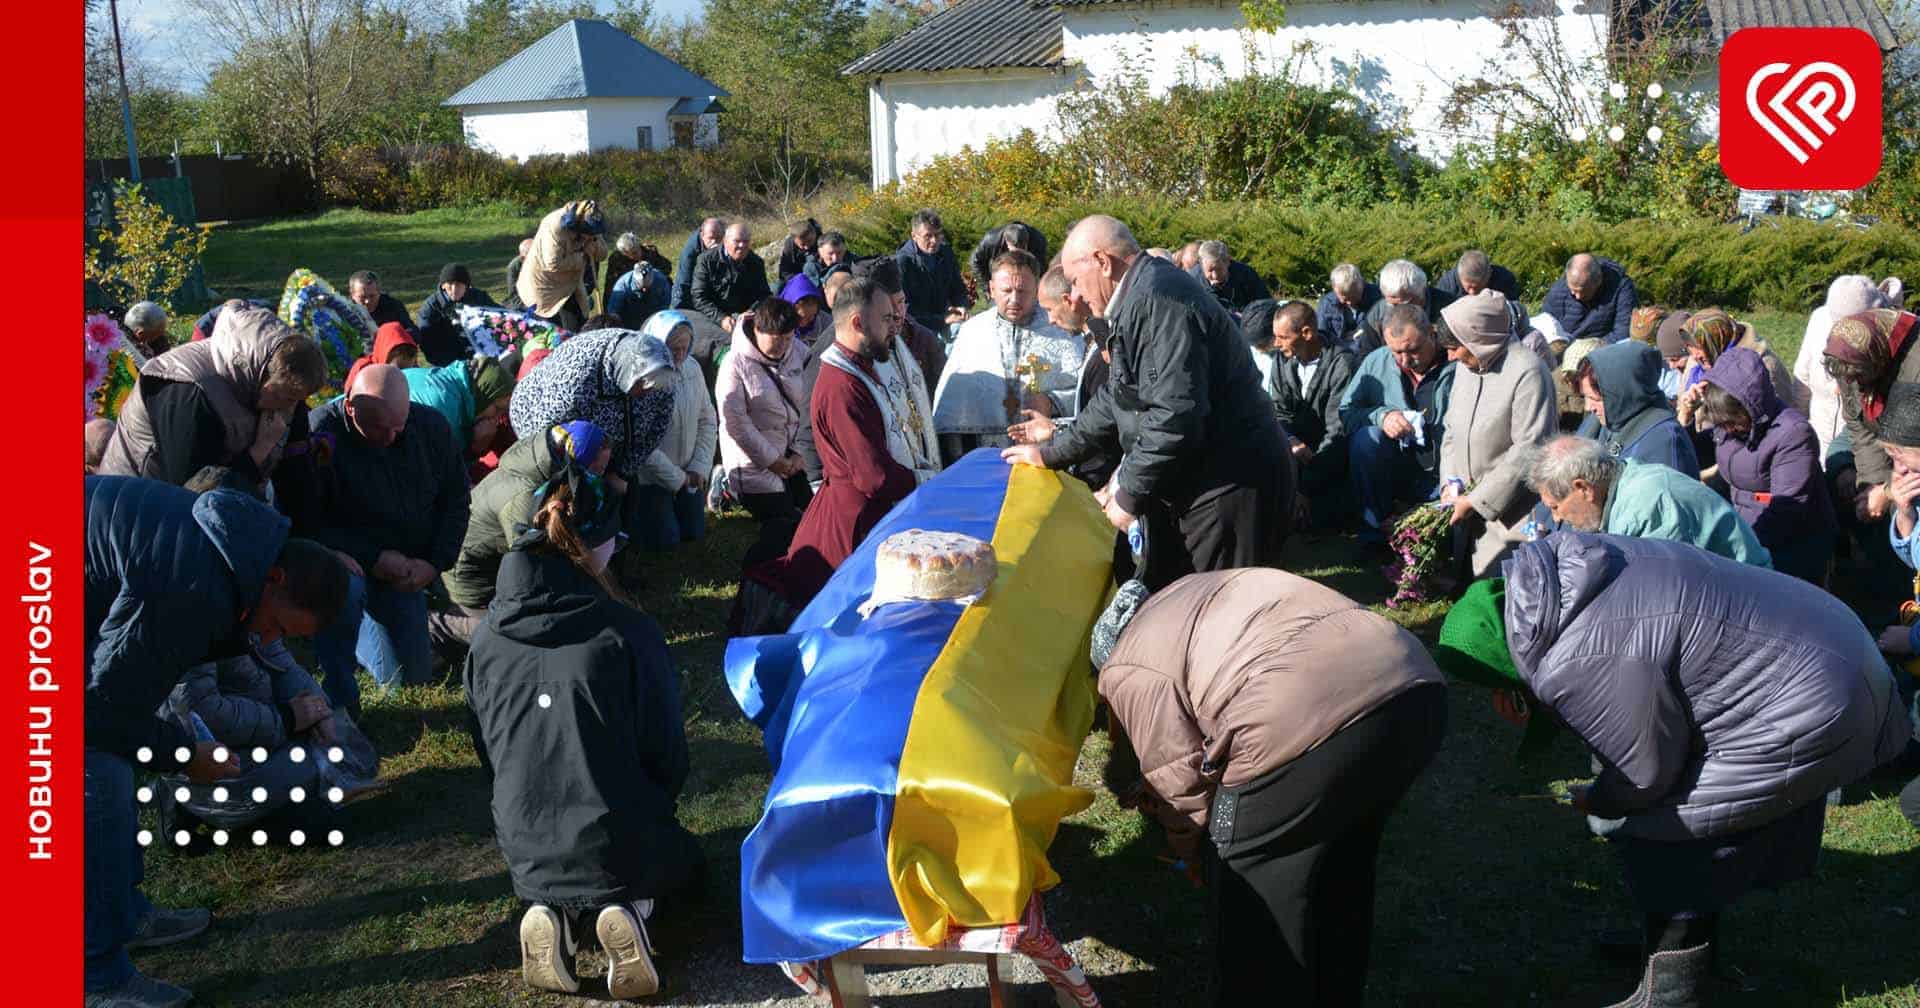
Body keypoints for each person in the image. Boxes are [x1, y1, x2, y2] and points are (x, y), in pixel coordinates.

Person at [1435, 538, 1909, 1008]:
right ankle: (1666, 945)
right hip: (1828, 640)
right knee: (1682, 809)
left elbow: (1645, 774)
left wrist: (1597, 799)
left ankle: (1672, 991)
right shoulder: (1568, 578)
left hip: (1814, 696)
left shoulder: (1573, 659)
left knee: (1668, 824)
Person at [1092, 569, 1445, 1007]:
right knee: (1341, 867)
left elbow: (1177, 782)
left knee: (1250, 900)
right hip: (1413, 685)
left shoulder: (1127, 664)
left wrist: (1201, 855)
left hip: (1305, 718)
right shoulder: (1189, 590)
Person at [84, 475, 348, 1008]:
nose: (269, 641)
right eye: (275, 628)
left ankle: (127, 914)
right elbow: (102, 713)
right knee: (98, 776)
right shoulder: (191, 585)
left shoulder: (238, 553)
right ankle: (97, 975)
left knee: (112, 760)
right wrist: (182, 755)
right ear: (274, 579)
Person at [466, 470, 704, 1000]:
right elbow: (667, 753)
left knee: (576, 859)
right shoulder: (626, 633)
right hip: (615, 829)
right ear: (592, 544)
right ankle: (631, 911)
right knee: (683, 864)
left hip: (523, 836)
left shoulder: (484, 642)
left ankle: (550, 914)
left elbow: (488, 752)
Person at [1002, 215, 1293, 589]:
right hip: (1203, 482)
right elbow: (1118, 397)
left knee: (1218, 619)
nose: (1076, 294)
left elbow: (1175, 415)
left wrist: (1128, 494)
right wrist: (1052, 453)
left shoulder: (1158, 300)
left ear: (1103, 262)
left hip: (1228, 487)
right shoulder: (1140, 297)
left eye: (1076, 280)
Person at [305, 365, 471, 714]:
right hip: (348, 564)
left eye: (400, 424)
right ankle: (339, 683)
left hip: (406, 570)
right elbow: (306, 519)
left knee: (411, 676)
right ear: (351, 409)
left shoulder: (430, 428)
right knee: (347, 593)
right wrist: (371, 557)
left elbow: (456, 499)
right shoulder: (320, 437)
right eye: (381, 428)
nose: (394, 436)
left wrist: (435, 562)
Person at [99, 301, 328, 487]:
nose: (291, 407)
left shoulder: (279, 389)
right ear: (260, 377)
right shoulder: (189, 391)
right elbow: (194, 496)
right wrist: (260, 450)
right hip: (136, 513)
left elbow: (297, 477)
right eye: (287, 398)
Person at [436, 421, 614, 652]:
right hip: (475, 585)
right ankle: (442, 623)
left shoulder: (540, 459)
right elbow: (528, 569)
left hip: (495, 562)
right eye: (596, 470)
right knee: (521, 641)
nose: (598, 477)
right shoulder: (521, 500)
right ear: (575, 463)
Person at [1683, 346, 1835, 584]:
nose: (1727, 429)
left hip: (1790, 548)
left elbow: (1787, 511)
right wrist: (1687, 420)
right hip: (1748, 532)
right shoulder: (1732, 426)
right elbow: (1695, 457)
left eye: (1732, 422)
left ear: (1750, 406)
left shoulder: (1792, 434)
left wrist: (1737, 547)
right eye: (1722, 422)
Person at [1436, 291, 1556, 576]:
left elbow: (1529, 447)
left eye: (1455, 346)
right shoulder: (1468, 366)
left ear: (1478, 338)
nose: (1450, 356)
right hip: (1465, 503)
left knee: (1503, 590)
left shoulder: (1528, 371)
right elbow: (1451, 431)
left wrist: (1478, 501)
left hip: (1512, 513)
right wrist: (1448, 483)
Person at [933, 248, 1084, 461]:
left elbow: (1087, 390)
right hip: (985, 456)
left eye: (1022, 291)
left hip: (1049, 453)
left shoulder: (1060, 326)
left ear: (1037, 288)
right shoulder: (973, 331)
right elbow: (951, 408)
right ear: (992, 289)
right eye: (1006, 291)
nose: (1014, 299)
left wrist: (1051, 402)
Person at [1524, 435, 1771, 565]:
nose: (1556, 518)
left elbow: (1662, 595)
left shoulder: (1644, 509)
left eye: (1555, 507)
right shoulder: (1623, 480)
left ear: (1583, 489)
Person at [1340, 304, 1455, 547]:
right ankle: (1375, 532)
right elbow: (1347, 413)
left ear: (1432, 334)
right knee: (1366, 440)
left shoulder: (1456, 363)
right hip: (1399, 466)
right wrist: (1383, 416)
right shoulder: (1377, 361)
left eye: (1413, 350)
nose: (1405, 360)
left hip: (1445, 469)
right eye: (1396, 352)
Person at [719, 297, 815, 563]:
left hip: (792, 455)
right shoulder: (734, 365)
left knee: (814, 514)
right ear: (758, 330)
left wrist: (798, 452)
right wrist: (772, 461)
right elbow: (736, 422)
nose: (783, 345)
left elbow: (810, 404)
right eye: (776, 338)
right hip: (753, 462)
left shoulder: (800, 352)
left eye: (788, 337)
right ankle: (757, 571)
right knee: (786, 524)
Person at [1249, 299, 1358, 529]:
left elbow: (1336, 431)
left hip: (1331, 457)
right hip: (1296, 451)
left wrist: (1305, 489)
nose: (1276, 344)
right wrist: (1290, 440)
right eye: (1275, 336)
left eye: (1283, 337)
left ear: (1307, 333)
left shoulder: (1342, 364)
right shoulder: (1283, 360)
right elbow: (1279, 411)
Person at [1008, 265, 1114, 490]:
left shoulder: (1105, 356)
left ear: (1068, 300)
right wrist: (1054, 428)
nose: (1050, 320)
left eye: (1049, 309)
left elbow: (1108, 427)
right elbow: (1093, 416)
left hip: (1104, 479)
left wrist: (1049, 452)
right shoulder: (1093, 343)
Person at [632, 311, 718, 551]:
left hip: (688, 469)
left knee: (694, 534)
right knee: (665, 541)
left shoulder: (692, 368)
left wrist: (698, 467)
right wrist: (677, 478)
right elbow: (642, 443)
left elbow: (707, 419)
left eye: (684, 347)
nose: (680, 354)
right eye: (672, 348)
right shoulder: (644, 377)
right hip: (653, 477)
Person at [1796, 275, 1905, 460]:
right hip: (1821, 437)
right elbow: (1802, 378)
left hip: (1867, 447)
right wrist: (1798, 429)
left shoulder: (1894, 338)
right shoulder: (1819, 320)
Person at [1572, 339, 1699, 475]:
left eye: (1594, 399)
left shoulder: (1664, 442)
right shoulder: (1604, 421)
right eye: (1586, 397)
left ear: (1621, 393)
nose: (1589, 407)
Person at [1678, 307, 1805, 412]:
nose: (1695, 355)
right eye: (1689, 347)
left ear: (1718, 339)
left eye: (1699, 347)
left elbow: (1778, 415)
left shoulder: (1763, 366)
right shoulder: (1698, 362)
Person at [402, 353, 516, 463]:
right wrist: (477, 447)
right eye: (497, 409)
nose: (496, 418)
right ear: (484, 394)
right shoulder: (447, 408)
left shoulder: (449, 380)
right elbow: (445, 470)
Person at [518, 200, 608, 332]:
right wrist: (582, 255)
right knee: (552, 332)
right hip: (546, 288)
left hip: (572, 285)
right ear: (580, 223)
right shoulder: (554, 226)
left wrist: (593, 247)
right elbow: (553, 263)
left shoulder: (592, 221)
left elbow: (603, 254)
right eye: (588, 232)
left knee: (579, 328)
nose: (591, 236)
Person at [895, 208, 970, 340]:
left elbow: (958, 288)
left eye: (938, 235)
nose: (934, 241)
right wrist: (942, 320)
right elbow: (905, 311)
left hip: (944, 318)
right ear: (914, 236)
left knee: (966, 331)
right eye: (928, 236)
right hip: (916, 329)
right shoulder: (902, 263)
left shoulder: (945, 252)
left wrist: (961, 306)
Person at [1353, 259, 1454, 357]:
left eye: (1405, 304)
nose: (1398, 310)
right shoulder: (1377, 315)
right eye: (1392, 305)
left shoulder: (1449, 308)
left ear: (1421, 291)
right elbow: (1366, 356)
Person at [690, 222, 773, 331]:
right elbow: (699, 297)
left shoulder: (756, 262)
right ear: (725, 241)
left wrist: (751, 312)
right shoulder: (706, 261)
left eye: (746, 241)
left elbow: (764, 295)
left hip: (746, 317)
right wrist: (721, 319)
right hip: (714, 317)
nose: (742, 245)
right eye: (737, 241)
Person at [414, 263, 502, 366]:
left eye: (459, 285)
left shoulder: (479, 297)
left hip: (484, 355)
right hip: (450, 365)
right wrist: (458, 366)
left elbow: (499, 314)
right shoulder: (430, 309)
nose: (455, 289)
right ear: (443, 285)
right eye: (450, 284)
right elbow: (429, 346)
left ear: (467, 286)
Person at [1543, 253, 1638, 344]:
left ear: (1598, 281)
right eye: (1573, 290)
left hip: (1602, 351)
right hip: (1565, 348)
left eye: (1583, 291)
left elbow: (1623, 333)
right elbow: (1547, 327)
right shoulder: (1559, 289)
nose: (1578, 296)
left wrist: (1589, 349)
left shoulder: (1620, 287)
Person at [969, 220, 1049, 296]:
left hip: (1027, 279)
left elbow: (1042, 269)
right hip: (999, 277)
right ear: (1007, 243)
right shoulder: (991, 240)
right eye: (1015, 251)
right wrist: (986, 287)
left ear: (1027, 242)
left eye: (1022, 250)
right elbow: (975, 261)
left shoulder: (1038, 241)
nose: (1018, 256)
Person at [344, 321, 422, 398]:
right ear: (386, 354)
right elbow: (353, 403)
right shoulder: (363, 371)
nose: (401, 375)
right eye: (399, 369)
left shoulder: (410, 365)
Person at [1315, 263, 1382, 352]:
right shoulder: (1327, 303)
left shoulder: (1378, 299)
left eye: (1354, 296)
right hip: (1336, 355)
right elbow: (1321, 335)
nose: (1350, 302)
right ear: (1334, 289)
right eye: (1345, 299)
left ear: (1362, 284)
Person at [1190, 239, 1271, 311]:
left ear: (1228, 261)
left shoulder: (1246, 274)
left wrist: (1246, 316)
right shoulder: (1192, 280)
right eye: (1210, 271)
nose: (1215, 276)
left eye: (1219, 269)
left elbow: (1265, 305)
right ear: (1201, 264)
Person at [672, 217, 725, 309]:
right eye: (711, 238)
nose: (715, 242)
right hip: (688, 290)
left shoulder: (729, 243)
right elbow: (684, 282)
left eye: (718, 238)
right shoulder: (690, 252)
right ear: (702, 235)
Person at [346, 270, 417, 336]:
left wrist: (392, 335)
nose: (367, 301)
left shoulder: (393, 306)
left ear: (379, 292)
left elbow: (414, 333)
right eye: (362, 297)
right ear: (352, 294)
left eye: (372, 296)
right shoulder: (344, 311)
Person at [1432, 249, 1520, 301]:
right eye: (1469, 287)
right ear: (1460, 275)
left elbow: (1513, 313)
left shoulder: (1504, 280)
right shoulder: (1446, 286)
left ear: (1489, 275)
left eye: (1477, 287)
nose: (1472, 293)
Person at [779, 272, 829, 345]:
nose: (810, 320)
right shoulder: (778, 328)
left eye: (813, 315)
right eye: (802, 317)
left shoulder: (824, 321)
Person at [778, 217, 822, 284]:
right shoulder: (790, 245)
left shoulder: (823, 241)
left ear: (814, 233)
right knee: (775, 287)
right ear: (794, 240)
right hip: (797, 278)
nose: (807, 247)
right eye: (802, 244)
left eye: (809, 241)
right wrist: (797, 280)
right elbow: (784, 271)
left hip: (818, 277)